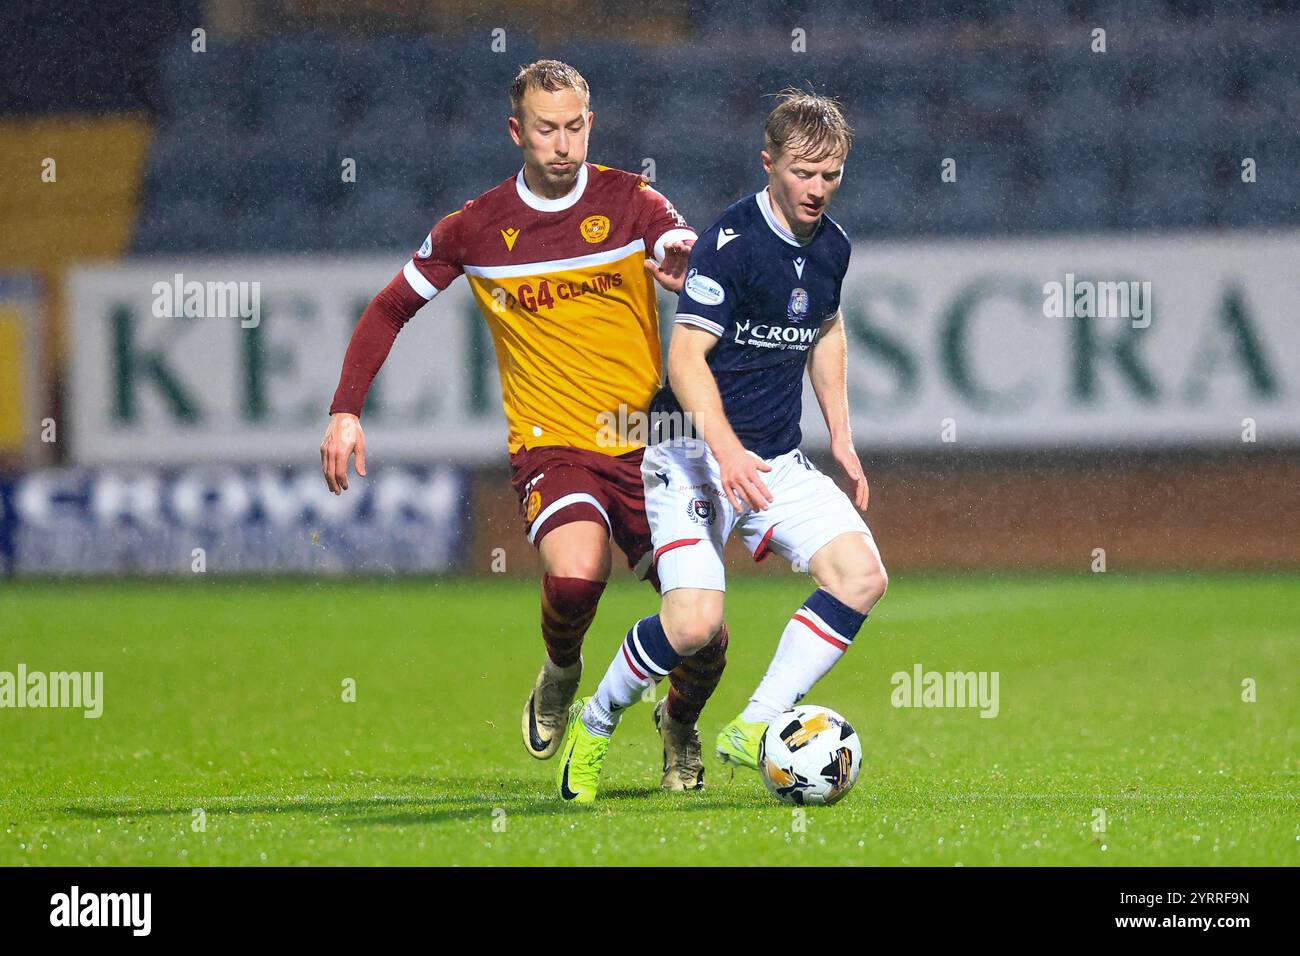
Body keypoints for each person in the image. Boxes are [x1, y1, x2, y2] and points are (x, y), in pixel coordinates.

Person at [321, 60, 731, 791]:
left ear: (589, 124)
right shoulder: (475, 228)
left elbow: (677, 241)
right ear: (517, 131)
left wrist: (678, 255)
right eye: (547, 129)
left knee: (705, 638)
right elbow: (390, 308)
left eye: (575, 126)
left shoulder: (630, 200)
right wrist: (345, 410)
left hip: (652, 443)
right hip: (554, 444)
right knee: (576, 577)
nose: (563, 143)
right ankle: (561, 674)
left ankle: (680, 724)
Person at [554, 89, 887, 804]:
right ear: (770, 164)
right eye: (804, 172)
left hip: (771, 459)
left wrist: (844, 436)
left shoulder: (835, 246)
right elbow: (685, 361)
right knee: (696, 624)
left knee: (861, 576)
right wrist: (727, 452)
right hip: (688, 455)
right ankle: (599, 719)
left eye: (831, 174)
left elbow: (825, 330)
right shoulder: (730, 245)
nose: (818, 189)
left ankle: (755, 724)